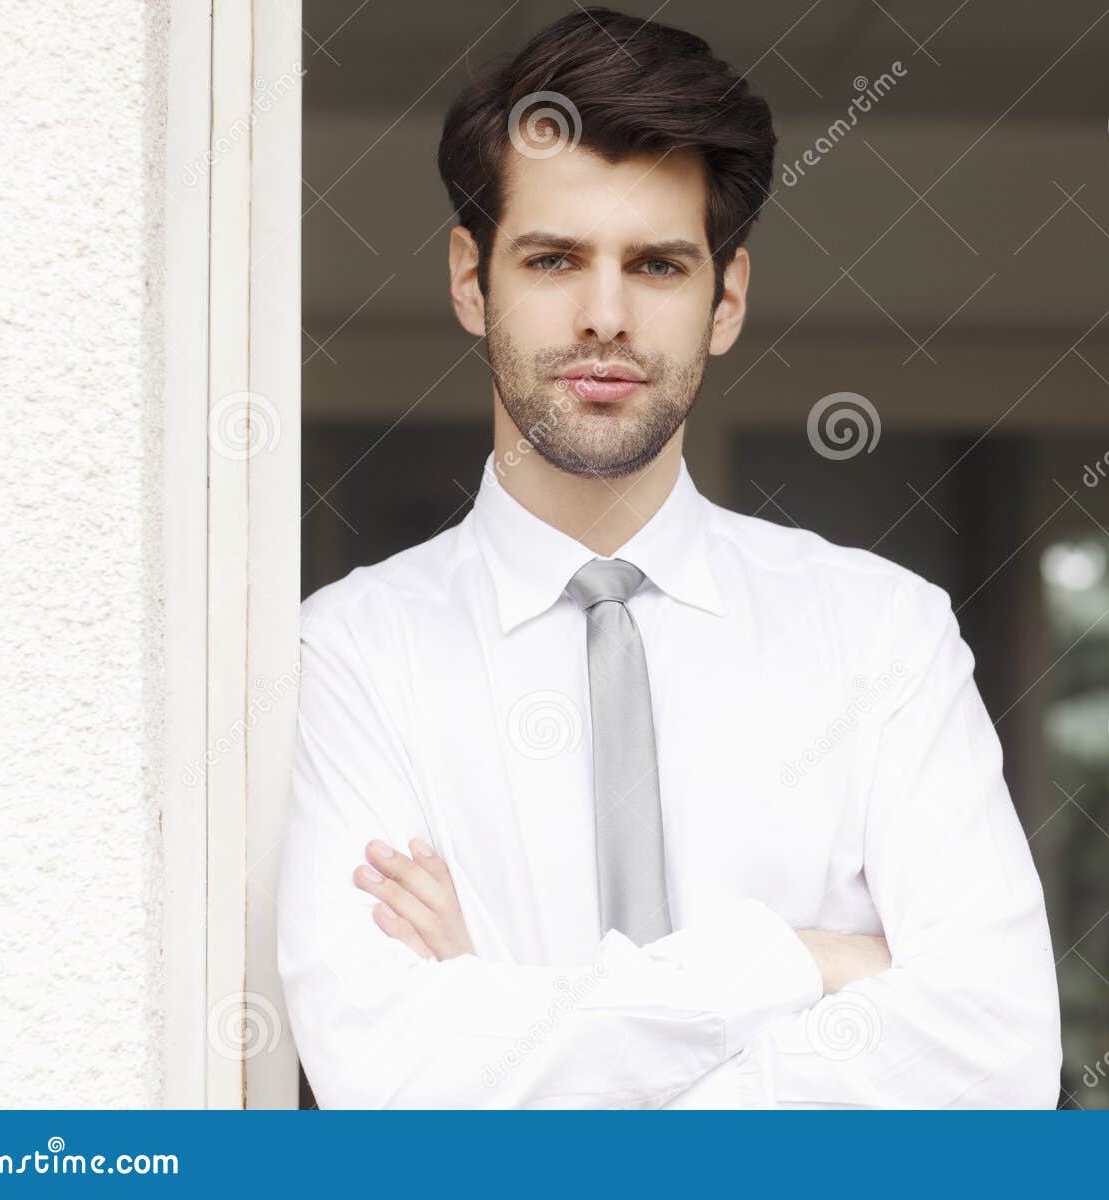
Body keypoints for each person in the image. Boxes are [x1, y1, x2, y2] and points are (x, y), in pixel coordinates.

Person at [276, 5, 1060, 1109]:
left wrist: (509, 1007)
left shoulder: (883, 634)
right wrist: (797, 961)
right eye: (553, 259)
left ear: (725, 298)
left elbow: (996, 1059)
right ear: (470, 280)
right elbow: (399, 1087)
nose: (604, 317)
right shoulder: (350, 655)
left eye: (655, 264)